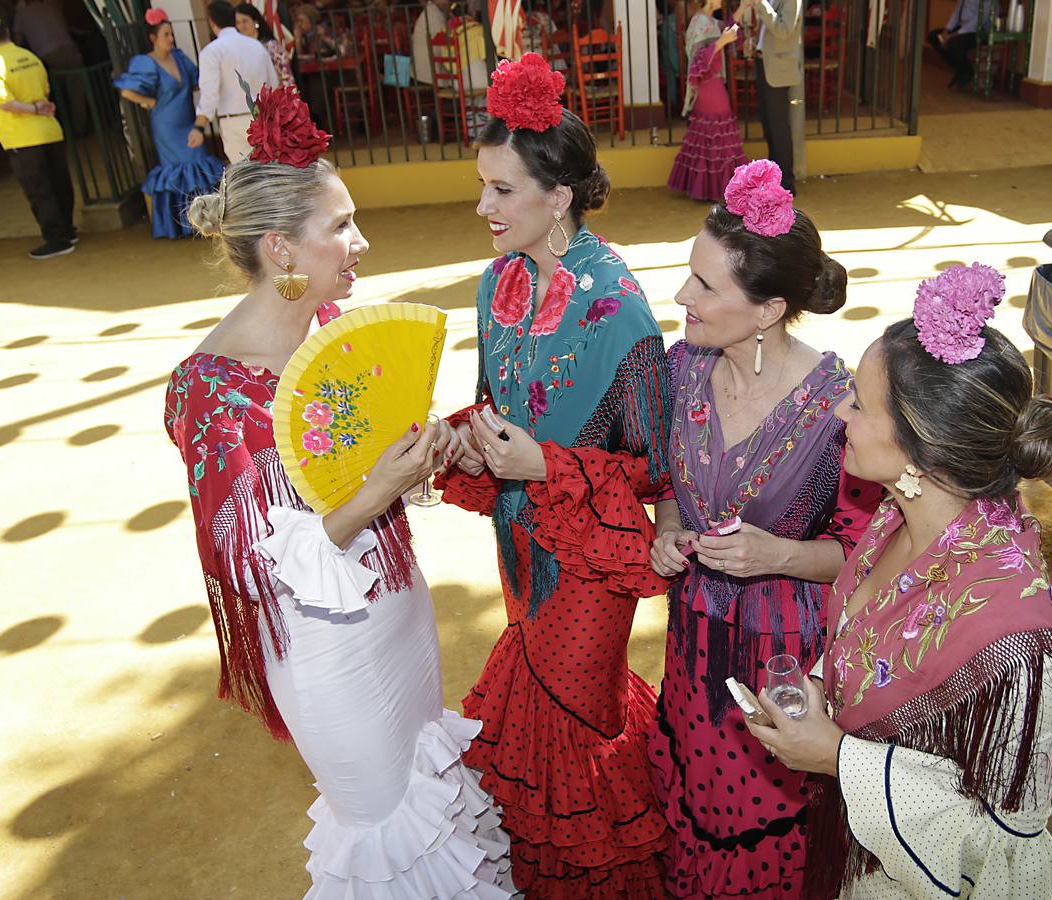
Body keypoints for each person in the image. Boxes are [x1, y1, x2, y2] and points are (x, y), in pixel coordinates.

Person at [167, 84, 514, 898]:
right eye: (340, 226)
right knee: (387, 833)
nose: (361, 241)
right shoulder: (208, 391)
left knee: (437, 803)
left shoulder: (328, 337)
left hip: (400, 616)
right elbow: (252, 565)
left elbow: (358, 470)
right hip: (328, 651)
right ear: (281, 250)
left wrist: (427, 452)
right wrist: (377, 489)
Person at [745, 264, 1052, 899]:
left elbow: (1005, 837)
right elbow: (868, 641)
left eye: (861, 404)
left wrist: (838, 757)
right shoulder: (894, 514)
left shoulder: (1011, 639)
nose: (841, 410)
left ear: (922, 447)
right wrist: (817, 693)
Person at [434, 53, 673, 899]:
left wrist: (547, 463)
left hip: (592, 557)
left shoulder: (620, 308)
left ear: (558, 196)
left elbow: (654, 463)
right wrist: (456, 440)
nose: (482, 206)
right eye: (483, 185)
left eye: (502, 189)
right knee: (542, 707)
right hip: (517, 539)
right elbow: (491, 406)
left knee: (574, 715)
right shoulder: (493, 283)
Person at [647, 158, 880, 898]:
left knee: (765, 814)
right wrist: (668, 526)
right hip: (691, 639)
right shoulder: (680, 368)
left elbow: (863, 554)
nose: (681, 295)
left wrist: (777, 552)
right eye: (689, 274)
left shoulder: (838, 405)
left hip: (783, 656)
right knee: (691, 794)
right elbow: (664, 479)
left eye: (704, 285)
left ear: (768, 309)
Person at [113, 10, 225, 239]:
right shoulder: (146, 62)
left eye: (171, 34)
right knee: (181, 168)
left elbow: (197, 82)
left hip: (187, 119)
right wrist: (149, 102)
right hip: (166, 125)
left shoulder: (179, 57)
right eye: (166, 34)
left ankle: (208, 218)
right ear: (153, 38)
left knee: (199, 161)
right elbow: (126, 91)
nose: (171, 38)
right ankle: (184, 225)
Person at [0, 9, 76, 259]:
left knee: (39, 189)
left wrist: (31, 109)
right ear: (8, 31)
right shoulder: (29, 56)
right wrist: (39, 107)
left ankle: (57, 239)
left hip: (22, 137)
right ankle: (67, 230)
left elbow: (4, 101)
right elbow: (44, 90)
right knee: (59, 183)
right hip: (49, 130)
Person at [666, 1, 746, 202]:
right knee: (718, 129)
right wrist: (722, 41)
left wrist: (743, 8)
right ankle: (718, 189)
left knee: (710, 132)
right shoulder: (699, 22)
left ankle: (710, 188)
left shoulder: (707, 20)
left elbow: (726, 29)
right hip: (709, 84)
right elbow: (698, 59)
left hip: (712, 81)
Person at [193, 0, 279, 163]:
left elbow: (209, 94)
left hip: (233, 120)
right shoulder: (257, 46)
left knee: (245, 175)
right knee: (269, 170)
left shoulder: (212, 51)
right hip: (262, 116)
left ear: (212, 22)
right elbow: (273, 84)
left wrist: (199, 126)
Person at [736, 0, 800, 193]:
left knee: (778, 126)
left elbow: (784, 30)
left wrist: (763, 5)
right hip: (765, 64)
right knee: (769, 124)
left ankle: (786, 182)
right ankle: (774, 178)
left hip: (778, 70)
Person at [927, 0, 994, 90]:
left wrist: (951, 36)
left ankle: (967, 72)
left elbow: (977, 22)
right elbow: (956, 12)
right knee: (933, 36)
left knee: (954, 43)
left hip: (978, 32)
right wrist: (946, 31)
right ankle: (962, 69)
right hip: (961, 29)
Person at [234, 2, 296, 89]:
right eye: (238, 22)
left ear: (255, 22)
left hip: (275, 97)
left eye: (245, 21)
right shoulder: (238, 48)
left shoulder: (271, 46)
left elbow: (286, 77)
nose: (241, 26)